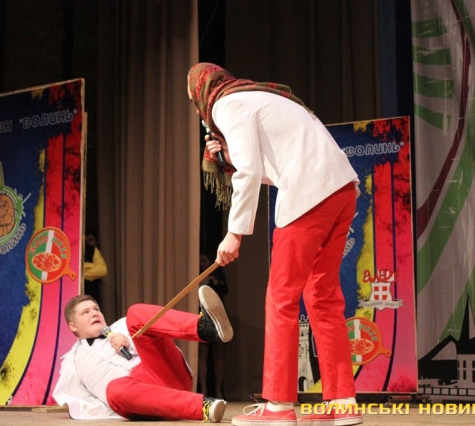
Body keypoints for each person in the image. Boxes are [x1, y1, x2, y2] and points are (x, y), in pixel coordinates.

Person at [187, 63, 362, 426]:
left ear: (202, 93)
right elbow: (275, 167)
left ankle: (279, 406)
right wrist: (229, 158)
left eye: (194, 102)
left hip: (309, 195)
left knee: (282, 297)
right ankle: (342, 402)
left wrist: (234, 233)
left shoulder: (226, 104)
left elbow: (251, 172)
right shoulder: (259, 97)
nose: (200, 111)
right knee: (322, 296)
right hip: (342, 189)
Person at [52, 285, 233, 422]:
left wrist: (129, 343)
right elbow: (71, 399)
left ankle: (205, 328)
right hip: (142, 400)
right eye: (86, 312)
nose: (94, 314)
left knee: (135, 313)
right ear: (73, 326)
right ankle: (203, 407)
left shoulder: (122, 326)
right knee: (114, 391)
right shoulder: (72, 361)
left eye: (96, 309)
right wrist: (107, 407)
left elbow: (158, 346)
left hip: (165, 375)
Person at [198, 251, 228, 398]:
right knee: (202, 354)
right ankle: (203, 390)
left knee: (218, 355)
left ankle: (218, 391)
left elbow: (225, 291)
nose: (201, 264)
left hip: (217, 318)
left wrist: (214, 283)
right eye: (199, 261)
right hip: (201, 318)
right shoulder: (195, 275)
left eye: (204, 260)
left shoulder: (217, 275)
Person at [83, 229, 107, 302]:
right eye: (85, 241)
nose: (88, 243)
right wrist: (90, 266)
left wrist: (84, 268)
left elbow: (103, 270)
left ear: (96, 241)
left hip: (91, 292)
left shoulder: (93, 250)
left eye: (90, 240)